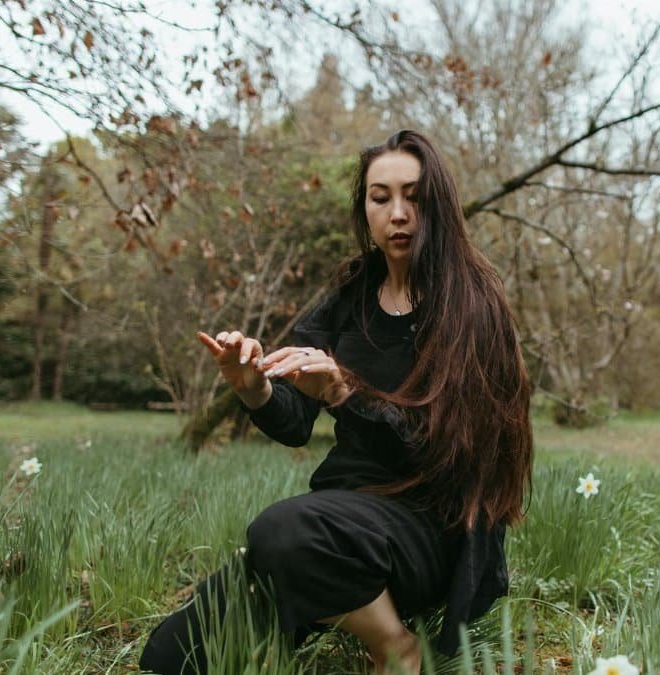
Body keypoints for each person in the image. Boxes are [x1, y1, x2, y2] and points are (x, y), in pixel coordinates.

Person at [138, 130, 534, 675]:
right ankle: (317, 589)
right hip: (338, 524)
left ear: (437, 205)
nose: (398, 213)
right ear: (365, 209)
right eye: (381, 197)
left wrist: (345, 392)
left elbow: (452, 452)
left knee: (282, 531)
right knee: (168, 658)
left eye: (414, 197)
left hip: (428, 531)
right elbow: (296, 420)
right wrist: (251, 384)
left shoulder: (473, 305)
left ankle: (394, 645)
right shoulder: (351, 295)